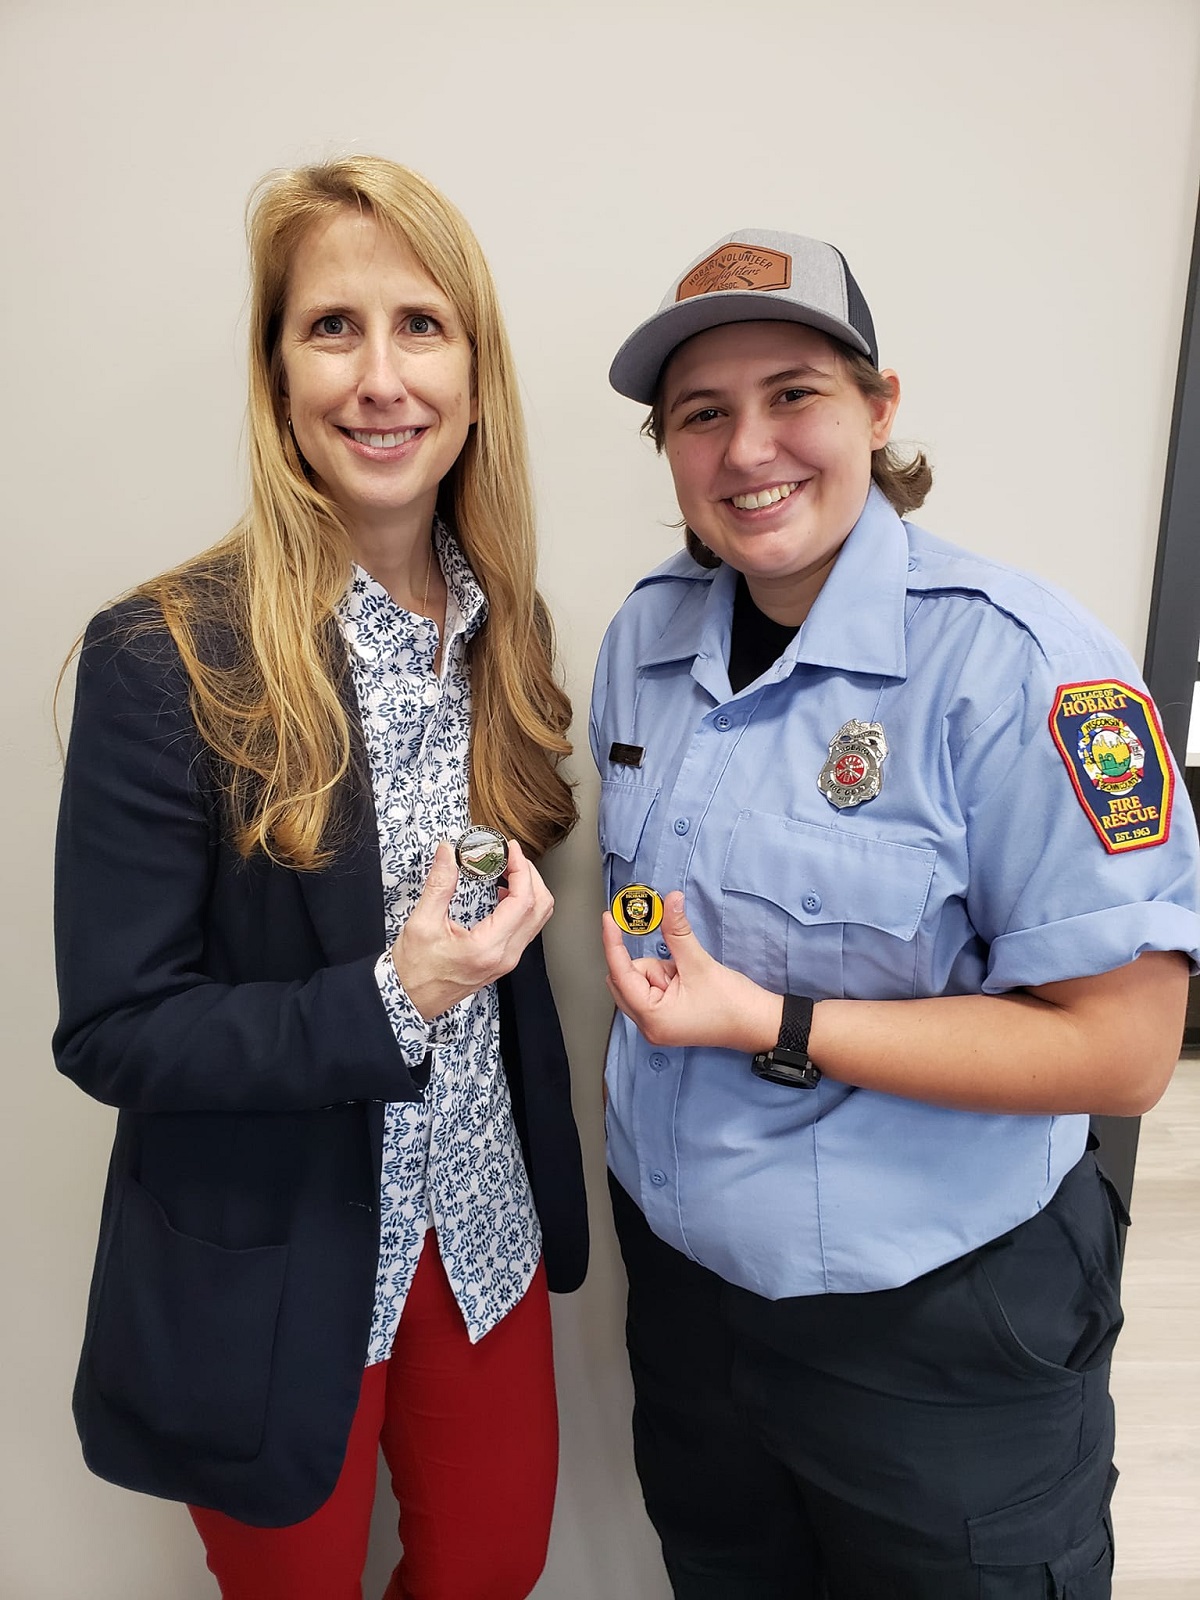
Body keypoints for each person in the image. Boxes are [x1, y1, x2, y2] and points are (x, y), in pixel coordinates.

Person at [592, 229, 1200, 1599]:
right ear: (671, 452)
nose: (750, 449)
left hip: (934, 1326)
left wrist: (775, 1020)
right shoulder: (644, 637)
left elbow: (1126, 1052)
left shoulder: (1030, 670)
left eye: (794, 393)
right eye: (703, 414)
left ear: (879, 408)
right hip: (690, 1299)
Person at [54, 156, 587, 1600]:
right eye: (330, 327)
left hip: (479, 1232)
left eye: (420, 325)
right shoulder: (164, 656)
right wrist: (387, 996)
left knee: (490, 1570)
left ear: (476, 375)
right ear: (276, 369)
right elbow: (115, 1028)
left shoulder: (505, 628)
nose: (379, 375)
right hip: (275, 1258)